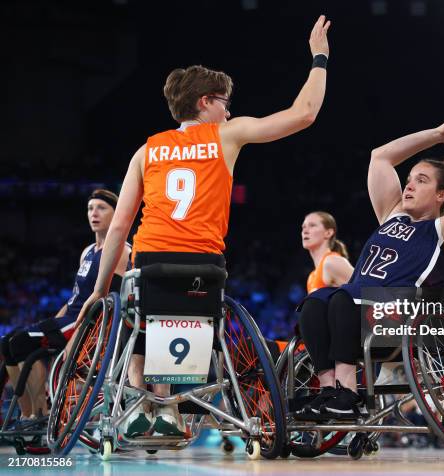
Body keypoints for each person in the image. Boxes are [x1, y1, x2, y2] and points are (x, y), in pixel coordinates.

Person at [71, 15, 332, 438]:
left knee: (144, 314)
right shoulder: (227, 134)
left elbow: (119, 227)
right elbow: (303, 115)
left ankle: (141, 399)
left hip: (151, 257)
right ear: (205, 102)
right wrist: (319, 58)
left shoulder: (147, 149)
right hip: (203, 261)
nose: (228, 109)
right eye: (224, 101)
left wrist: (100, 291)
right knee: (189, 315)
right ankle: (171, 410)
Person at [297, 113, 444, 420]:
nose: (408, 186)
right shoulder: (392, 214)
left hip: (406, 321)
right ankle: (330, 391)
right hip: (360, 314)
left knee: (345, 297)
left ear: (442, 195)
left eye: (420, 181)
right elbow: (380, 157)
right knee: (314, 304)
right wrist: (438, 134)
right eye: (408, 179)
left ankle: (348, 393)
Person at [0, 190, 130, 422]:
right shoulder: (87, 252)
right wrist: (51, 322)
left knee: (20, 343)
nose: (94, 213)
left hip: (86, 324)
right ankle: (28, 414)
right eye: (90, 208)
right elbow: (74, 297)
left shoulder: (121, 251)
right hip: (69, 317)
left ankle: (41, 412)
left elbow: (106, 304)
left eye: (101, 208)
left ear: (116, 213)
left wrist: (76, 336)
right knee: (7, 343)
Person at [302, 211, 353, 293]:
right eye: (303, 227)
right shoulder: (311, 277)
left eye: (312, 225)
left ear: (328, 233)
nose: (305, 231)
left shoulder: (331, 261)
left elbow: (370, 291)